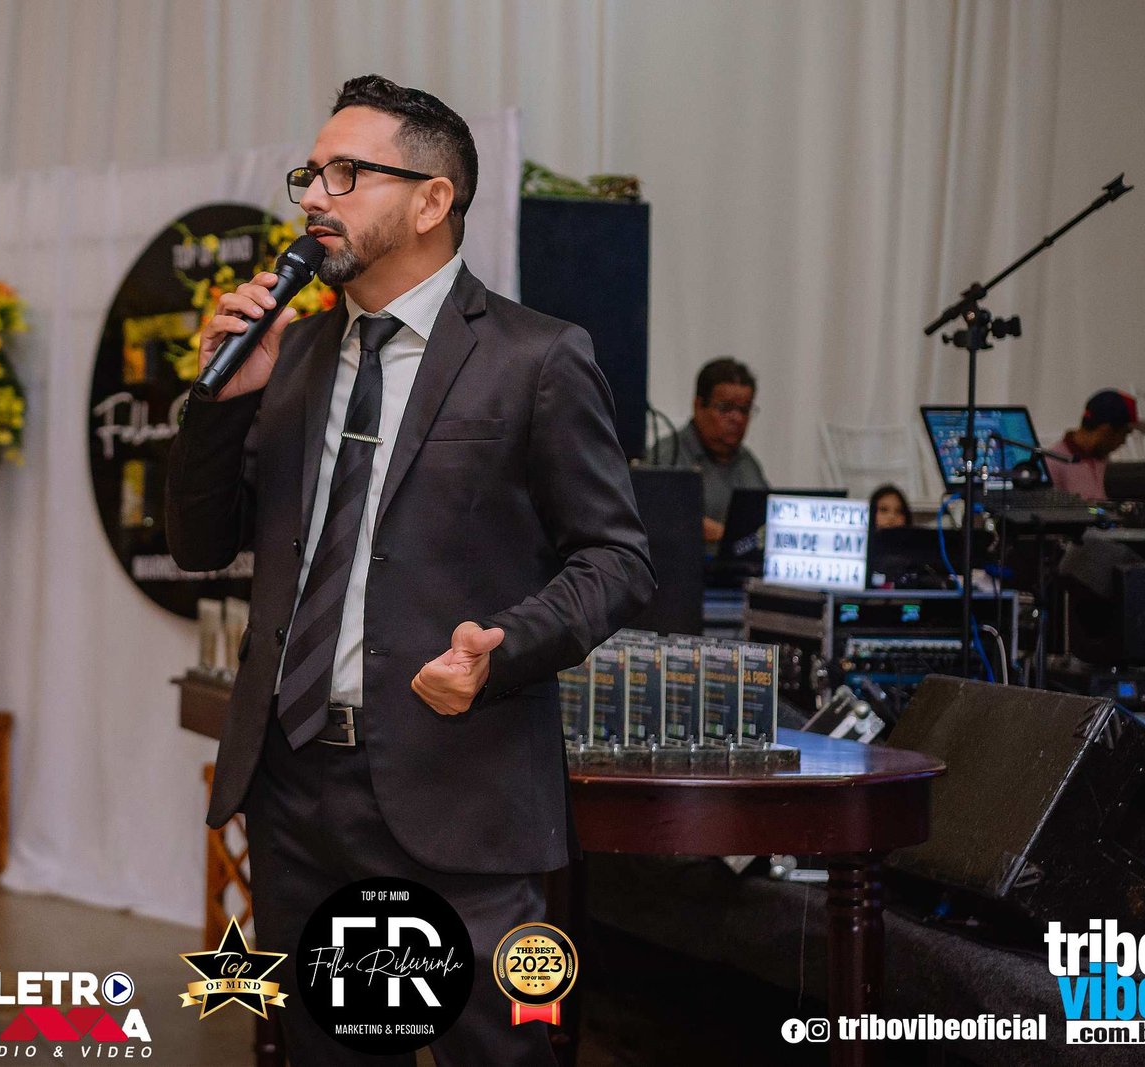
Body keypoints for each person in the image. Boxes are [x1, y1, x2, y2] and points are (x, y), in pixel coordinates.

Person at [166, 75, 654, 1065]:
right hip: (296, 782)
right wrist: (220, 402)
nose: (314, 197)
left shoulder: (535, 357)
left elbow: (617, 558)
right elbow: (198, 545)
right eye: (311, 175)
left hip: (458, 781)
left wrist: (505, 646)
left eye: (346, 174)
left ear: (432, 200)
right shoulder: (292, 354)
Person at [650, 356, 768, 543]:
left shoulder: (748, 464)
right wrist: (726, 536)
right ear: (698, 406)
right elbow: (660, 520)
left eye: (744, 410)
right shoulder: (667, 457)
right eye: (725, 408)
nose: (737, 419)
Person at [1047, 388, 1145, 501]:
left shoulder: (1103, 459)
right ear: (1105, 430)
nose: (1123, 442)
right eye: (1124, 434)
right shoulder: (1053, 464)